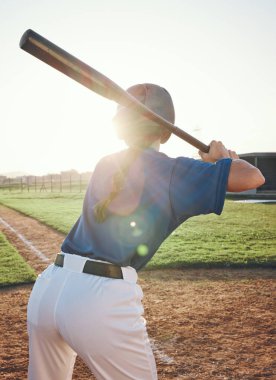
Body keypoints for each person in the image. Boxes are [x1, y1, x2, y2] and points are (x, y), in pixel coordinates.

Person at [27, 83, 265, 380]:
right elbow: (253, 176)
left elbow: (151, 169)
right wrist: (223, 159)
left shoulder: (105, 162)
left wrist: (211, 164)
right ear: (166, 131)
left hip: (49, 286)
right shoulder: (173, 171)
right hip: (99, 301)